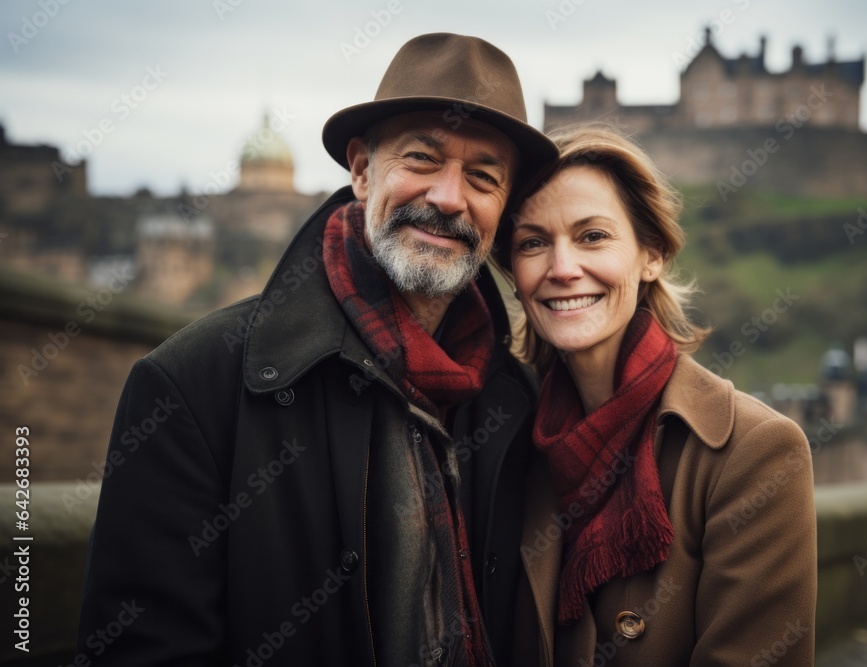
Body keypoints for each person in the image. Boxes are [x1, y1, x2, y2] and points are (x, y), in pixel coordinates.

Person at [76, 33, 558, 666]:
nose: (448, 197)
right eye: (420, 158)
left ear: (502, 209)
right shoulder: (193, 385)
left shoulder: (517, 400)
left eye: (483, 177)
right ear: (361, 170)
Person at [504, 127, 817, 665]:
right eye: (533, 243)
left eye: (593, 236)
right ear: (515, 276)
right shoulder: (508, 441)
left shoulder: (755, 451)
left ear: (652, 255)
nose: (562, 268)